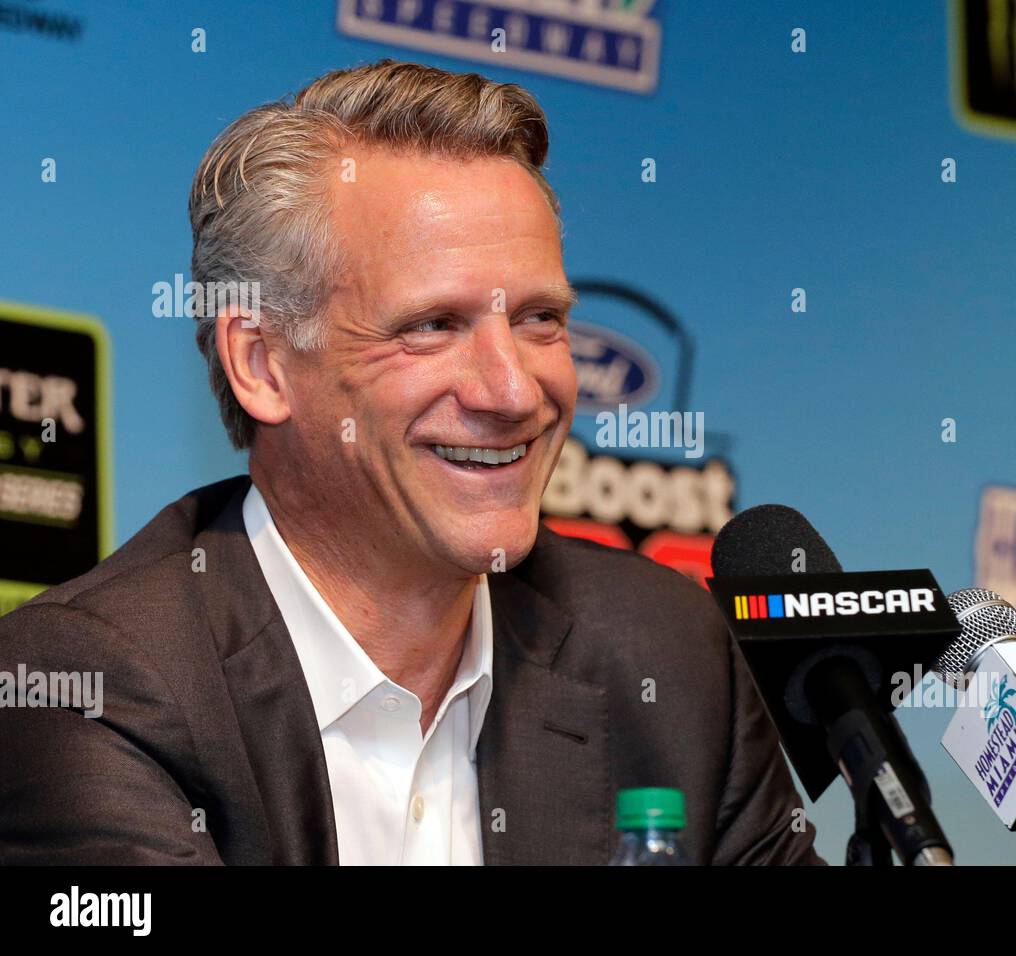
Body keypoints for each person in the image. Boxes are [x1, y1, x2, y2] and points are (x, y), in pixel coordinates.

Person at [0, 60, 822, 865]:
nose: (513, 391)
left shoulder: (666, 654)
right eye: (431, 326)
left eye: (539, 318)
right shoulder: (89, 683)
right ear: (262, 364)